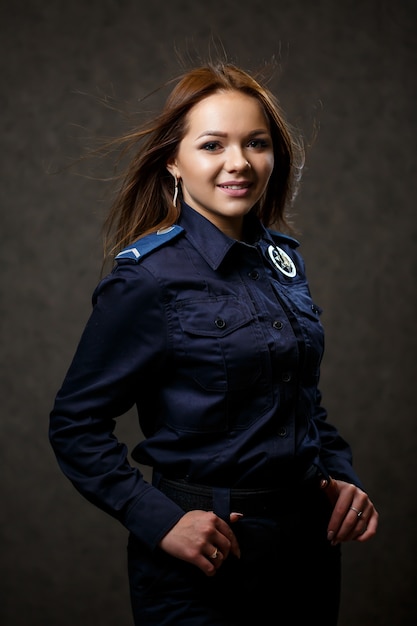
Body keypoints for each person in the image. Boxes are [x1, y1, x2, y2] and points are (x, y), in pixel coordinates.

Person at [49, 61, 379, 626]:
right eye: (212, 145)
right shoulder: (147, 280)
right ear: (174, 161)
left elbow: (298, 399)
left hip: (307, 551)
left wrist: (341, 474)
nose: (239, 163)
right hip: (207, 557)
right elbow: (75, 425)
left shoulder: (284, 263)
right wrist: (159, 519)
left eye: (257, 143)